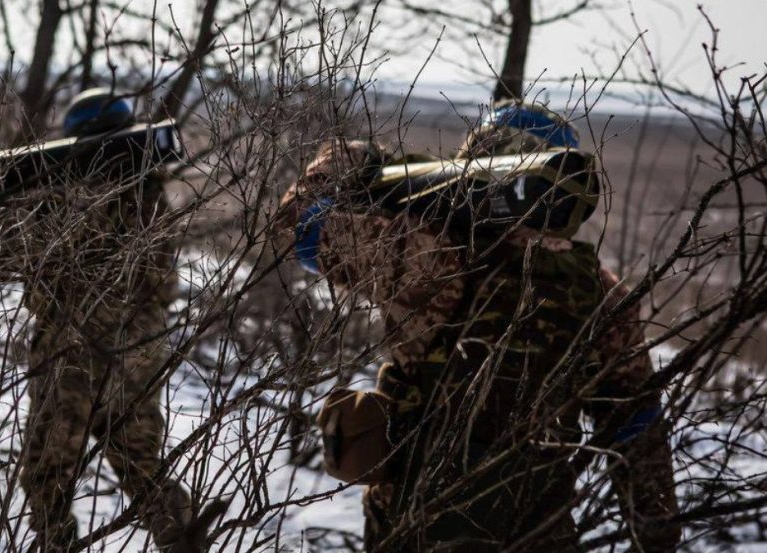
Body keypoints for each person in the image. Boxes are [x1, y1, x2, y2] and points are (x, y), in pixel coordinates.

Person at [275, 101, 680, 552]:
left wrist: (346, 158)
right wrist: (657, 535)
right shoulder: (602, 294)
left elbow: (300, 228)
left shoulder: (428, 256)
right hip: (538, 532)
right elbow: (637, 427)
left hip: (416, 524)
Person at [0, 89, 217, 552]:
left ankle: (57, 545)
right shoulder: (149, 191)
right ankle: (180, 535)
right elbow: (161, 280)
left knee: (47, 471)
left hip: (73, 349)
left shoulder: (63, 196)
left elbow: (7, 259)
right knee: (138, 457)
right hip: (141, 346)